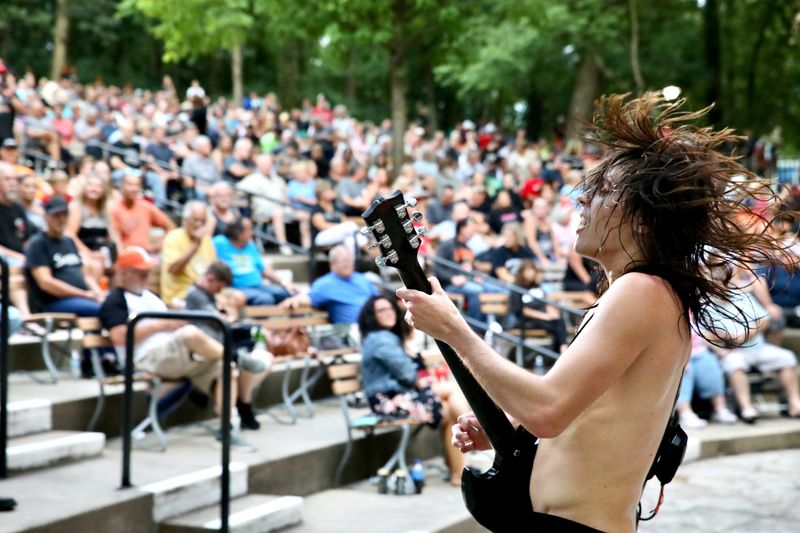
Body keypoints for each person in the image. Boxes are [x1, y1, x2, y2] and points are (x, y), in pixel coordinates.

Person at [396, 93, 791, 531]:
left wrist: (455, 330)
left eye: (601, 192)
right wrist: (508, 423)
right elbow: (584, 411)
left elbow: (549, 409)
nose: (581, 201)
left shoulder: (642, 291)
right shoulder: (644, 292)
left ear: (643, 220)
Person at [99, 247, 254, 449]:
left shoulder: (150, 297)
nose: (146, 276)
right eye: (140, 272)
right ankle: (236, 356)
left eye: (147, 272)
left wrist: (176, 320)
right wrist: (162, 324)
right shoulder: (115, 300)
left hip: (175, 354)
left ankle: (228, 428)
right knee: (191, 334)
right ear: (124, 272)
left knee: (227, 370)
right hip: (147, 358)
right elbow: (119, 336)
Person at [358, 295, 470, 486]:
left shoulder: (386, 337)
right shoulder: (380, 339)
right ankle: (477, 430)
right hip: (388, 402)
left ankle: (458, 474)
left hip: (401, 397)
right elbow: (409, 375)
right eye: (381, 310)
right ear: (372, 316)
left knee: (449, 411)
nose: (389, 313)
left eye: (390, 308)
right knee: (451, 391)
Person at [185, 261, 273, 431]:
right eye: (219, 287)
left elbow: (222, 320)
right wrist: (226, 317)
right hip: (205, 353)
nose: (219, 291)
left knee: (264, 358)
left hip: (222, 344)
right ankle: (231, 423)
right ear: (210, 279)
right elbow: (217, 322)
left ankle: (244, 404)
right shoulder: (195, 294)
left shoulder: (207, 294)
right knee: (232, 369)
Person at [25, 196, 103, 316]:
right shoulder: (38, 243)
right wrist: (84, 294)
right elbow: (46, 283)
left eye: (64, 215)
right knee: (103, 310)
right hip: (54, 301)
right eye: (56, 216)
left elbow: (85, 275)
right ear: (46, 217)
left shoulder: (69, 241)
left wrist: (97, 292)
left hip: (81, 297)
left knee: (113, 304)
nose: (61, 219)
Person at [281, 245, 376, 330]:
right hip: (352, 331)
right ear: (332, 265)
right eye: (343, 261)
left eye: (349, 260)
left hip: (376, 326)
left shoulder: (363, 279)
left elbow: (378, 301)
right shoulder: (325, 284)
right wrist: (294, 300)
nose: (347, 264)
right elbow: (310, 297)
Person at [212, 217, 292, 306]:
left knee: (284, 293)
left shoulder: (250, 245)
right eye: (249, 230)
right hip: (234, 288)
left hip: (257, 286)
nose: (252, 233)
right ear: (238, 233)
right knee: (265, 299)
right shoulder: (219, 242)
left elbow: (263, 268)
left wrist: (284, 283)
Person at [161, 201, 217, 307]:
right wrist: (195, 245)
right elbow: (174, 270)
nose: (199, 224)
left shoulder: (207, 240)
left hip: (204, 294)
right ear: (185, 220)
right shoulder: (173, 237)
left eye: (203, 221)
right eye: (196, 219)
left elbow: (212, 271)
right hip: (180, 296)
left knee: (234, 298)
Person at [109, 172, 174, 253]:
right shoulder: (114, 209)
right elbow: (114, 238)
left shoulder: (146, 206)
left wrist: (158, 246)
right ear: (122, 186)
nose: (134, 188)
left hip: (145, 254)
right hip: (124, 254)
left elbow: (170, 226)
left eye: (137, 185)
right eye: (130, 184)